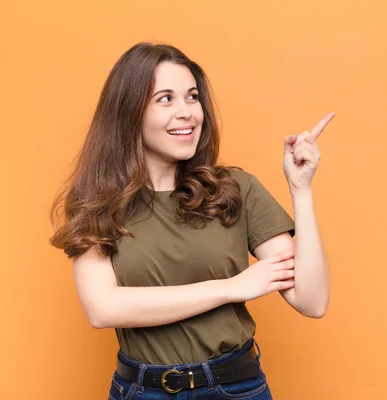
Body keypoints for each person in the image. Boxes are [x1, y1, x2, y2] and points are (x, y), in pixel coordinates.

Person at [49, 42, 332, 399]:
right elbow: (102, 308)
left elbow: (313, 300)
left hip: (237, 387)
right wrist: (231, 287)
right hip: (142, 391)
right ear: (129, 112)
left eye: (192, 97)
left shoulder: (235, 189)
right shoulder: (98, 202)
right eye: (165, 99)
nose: (187, 113)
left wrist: (301, 190)